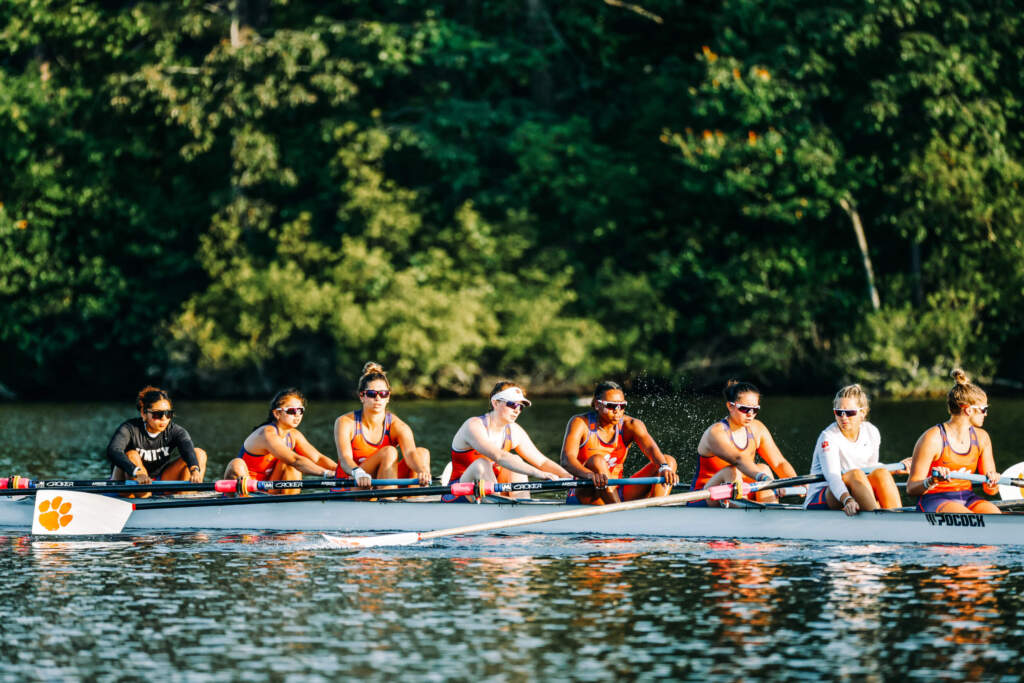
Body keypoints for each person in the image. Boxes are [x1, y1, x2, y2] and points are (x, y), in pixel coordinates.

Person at [443, 381, 571, 502]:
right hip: (458, 492)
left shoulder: (514, 431)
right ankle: (498, 510)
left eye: (521, 407)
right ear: (495, 403)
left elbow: (542, 462)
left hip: (491, 491)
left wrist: (568, 476)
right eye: (512, 404)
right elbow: (499, 456)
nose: (517, 410)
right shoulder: (473, 425)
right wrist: (539, 474)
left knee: (517, 463)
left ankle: (524, 507)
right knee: (482, 464)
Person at [560, 381, 679, 504]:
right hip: (587, 493)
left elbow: (651, 449)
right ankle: (619, 511)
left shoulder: (631, 425)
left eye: (622, 406)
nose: (617, 411)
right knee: (597, 461)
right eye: (611, 406)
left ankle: (656, 512)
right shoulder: (580, 423)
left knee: (668, 461)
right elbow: (567, 460)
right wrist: (590, 475)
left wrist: (664, 467)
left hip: (618, 492)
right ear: (597, 404)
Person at [906, 369, 1001, 514]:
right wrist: (931, 481)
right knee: (968, 518)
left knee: (995, 515)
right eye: (984, 409)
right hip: (934, 499)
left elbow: (991, 491)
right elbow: (911, 488)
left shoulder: (982, 438)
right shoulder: (932, 438)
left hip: (967, 498)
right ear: (968, 410)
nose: (986, 414)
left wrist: (993, 482)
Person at [804, 384, 906, 515]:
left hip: (854, 487)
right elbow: (833, 477)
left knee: (882, 473)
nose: (843, 417)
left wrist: (894, 468)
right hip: (824, 496)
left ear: (862, 413)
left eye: (850, 413)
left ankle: (897, 518)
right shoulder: (828, 437)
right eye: (838, 412)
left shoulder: (872, 432)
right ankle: (879, 521)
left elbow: (871, 468)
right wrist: (847, 500)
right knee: (855, 474)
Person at [691, 380, 797, 505]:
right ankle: (746, 514)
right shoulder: (716, 433)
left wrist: (799, 484)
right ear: (730, 406)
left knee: (764, 468)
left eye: (755, 409)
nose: (750, 414)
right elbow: (738, 460)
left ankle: (770, 513)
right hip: (705, 496)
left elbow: (779, 463)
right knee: (731, 471)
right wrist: (767, 480)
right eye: (745, 409)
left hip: (741, 492)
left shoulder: (758, 428)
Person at [333, 362, 432, 488]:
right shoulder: (345, 422)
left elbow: (410, 454)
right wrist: (358, 473)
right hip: (352, 484)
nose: (378, 398)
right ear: (362, 396)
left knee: (422, 453)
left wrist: (423, 471)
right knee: (389, 452)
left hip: (379, 483)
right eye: (372, 394)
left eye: (383, 394)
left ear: (388, 397)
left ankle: (414, 500)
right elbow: (345, 459)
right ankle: (388, 500)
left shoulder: (398, 426)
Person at [223, 388, 337, 490]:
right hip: (247, 490)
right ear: (277, 413)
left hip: (269, 491)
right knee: (236, 464)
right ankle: (241, 500)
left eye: (300, 410)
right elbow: (296, 460)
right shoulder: (267, 434)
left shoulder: (294, 435)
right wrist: (326, 473)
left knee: (288, 465)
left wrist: (343, 471)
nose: (297, 415)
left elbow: (317, 458)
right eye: (292, 411)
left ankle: (289, 505)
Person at [106, 386, 207, 486]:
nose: (164, 418)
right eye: (157, 414)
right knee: (132, 454)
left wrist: (195, 470)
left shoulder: (176, 431)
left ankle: (186, 496)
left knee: (200, 454)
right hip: (130, 479)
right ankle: (143, 493)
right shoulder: (130, 428)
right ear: (144, 413)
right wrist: (136, 472)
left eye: (168, 414)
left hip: (160, 479)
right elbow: (113, 450)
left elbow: (188, 450)